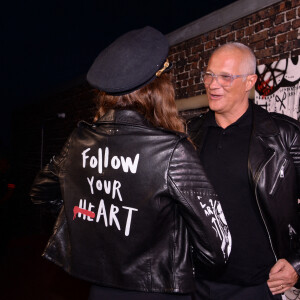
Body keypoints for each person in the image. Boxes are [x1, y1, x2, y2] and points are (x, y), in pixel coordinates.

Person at [30, 26, 231, 300]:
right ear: (159, 88)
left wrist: (90, 219)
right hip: (158, 290)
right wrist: (167, 247)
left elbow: (40, 193)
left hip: (100, 290)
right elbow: (219, 247)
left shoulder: (78, 140)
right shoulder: (172, 150)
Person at [188, 42, 300, 300]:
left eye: (226, 77)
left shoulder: (283, 135)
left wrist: (297, 262)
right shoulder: (188, 136)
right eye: (209, 75)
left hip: (258, 287)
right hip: (196, 285)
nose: (213, 85)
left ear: (249, 81)